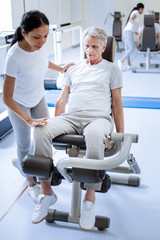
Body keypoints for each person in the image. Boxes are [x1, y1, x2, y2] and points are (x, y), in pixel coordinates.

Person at [32, 26, 124, 230]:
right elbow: (62, 100)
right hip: (71, 118)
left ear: (103, 46)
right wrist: (53, 127)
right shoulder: (74, 69)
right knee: (39, 129)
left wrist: (119, 133)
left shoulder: (112, 69)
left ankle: (89, 198)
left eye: (94, 46)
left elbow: (117, 104)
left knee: (93, 137)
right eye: (86, 46)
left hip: (98, 119)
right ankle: (46, 192)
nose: (89, 51)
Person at [3, 10, 73, 204]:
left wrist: (61, 68)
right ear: (24, 33)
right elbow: (7, 98)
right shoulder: (13, 57)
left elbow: (41, 61)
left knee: (44, 136)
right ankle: (31, 184)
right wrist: (27, 119)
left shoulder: (39, 45)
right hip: (19, 103)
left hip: (38, 97)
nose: (42, 41)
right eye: (36, 37)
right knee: (24, 144)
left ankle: (37, 168)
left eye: (45, 36)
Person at [118, 3, 144, 70]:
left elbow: (131, 26)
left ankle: (129, 64)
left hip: (128, 31)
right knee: (131, 49)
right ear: (140, 8)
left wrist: (136, 33)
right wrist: (138, 25)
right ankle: (121, 61)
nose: (142, 11)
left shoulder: (136, 13)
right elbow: (130, 20)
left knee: (127, 49)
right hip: (128, 32)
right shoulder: (136, 12)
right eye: (142, 10)